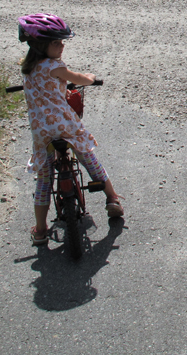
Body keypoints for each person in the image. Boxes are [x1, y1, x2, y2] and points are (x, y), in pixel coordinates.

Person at [17, 12, 123, 247]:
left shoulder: (28, 70)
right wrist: (90, 77)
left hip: (41, 132)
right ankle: (112, 199)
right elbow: (77, 78)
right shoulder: (54, 66)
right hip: (64, 125)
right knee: (87, 156)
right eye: (56, 42)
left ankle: (41, 229)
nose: (62, 46)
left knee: (44, 178)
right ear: (40, 45)